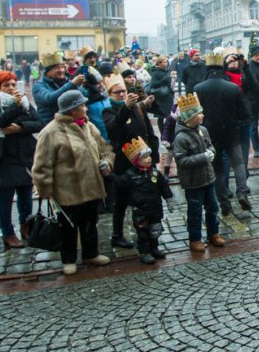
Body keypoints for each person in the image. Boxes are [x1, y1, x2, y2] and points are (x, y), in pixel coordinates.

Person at [32, 90, 114, 275]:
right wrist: (44, 189)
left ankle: (90, 253)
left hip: (92, 187)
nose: (86, 107)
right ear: (72, 110)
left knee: (90, 223)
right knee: (68, 227)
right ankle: (68, 259)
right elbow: (42, 164)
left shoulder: (89, 126)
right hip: (67, 191)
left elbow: (105, 148)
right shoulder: (51, 132)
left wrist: (107, 162)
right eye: (83, 105)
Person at [0, 71, 44, 248]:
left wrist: (20, 128)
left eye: (13, 84)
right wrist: (16, 107)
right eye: (7, 85)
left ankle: (25, 226)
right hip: (4, 157)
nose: (11, 88)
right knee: (5, 196)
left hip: (25, 155)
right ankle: (8, 233)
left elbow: (39, 123)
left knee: (26, 195)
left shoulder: (24, 102)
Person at [102, 74, 158, 249]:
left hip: (143, 160)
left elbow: (148, 131)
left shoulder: (137, 107)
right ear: (110, 94)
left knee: (146, 199)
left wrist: (153, 155)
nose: (121, 94)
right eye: (117, 92)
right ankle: (117, 235)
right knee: (121, 201)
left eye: (123, 91)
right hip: (123, 162)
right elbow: (112, 128)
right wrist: (124, 108)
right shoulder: (108, 110)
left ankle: (147, 235)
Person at [194, 53, 252, 215]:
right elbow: (245, 114)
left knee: (218, 169)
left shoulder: (198, 88)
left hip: (210, 134)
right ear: (222, 68)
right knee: (238, 163)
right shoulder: (232, 88)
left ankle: (225, 203)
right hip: (231, 132)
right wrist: (237, 123)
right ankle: (242, 191)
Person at [172, 94, 225, 251]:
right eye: (199, 114)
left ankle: (213, 233)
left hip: (208, 177)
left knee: (213, 207)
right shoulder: (181, 138)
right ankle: (195, 238)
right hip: (193, 182)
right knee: (195, 211)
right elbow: (181, 161)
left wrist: (211, 152)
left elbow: (210, 146)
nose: (202, 116)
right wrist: (203, 157)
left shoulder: (203, 130)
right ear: (191, 117)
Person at [110, 137, 173, 264]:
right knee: (143, 233)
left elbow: (163, 186)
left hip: (155, 208)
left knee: (155, 230)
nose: (149, 159)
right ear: (137, 161)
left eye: (149, 156)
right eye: (145, 157)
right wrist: (108, 175)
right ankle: (144, 252)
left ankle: (154, 248)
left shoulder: (155, 173)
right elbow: (118, 182)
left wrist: (169, 199)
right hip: (140, 211)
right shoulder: (130, 175)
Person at [33, 52, 85, 124]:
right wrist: (72, 84)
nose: (61, 70)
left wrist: (80, 85)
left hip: (69, 123)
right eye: (57, 68)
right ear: (48, 71)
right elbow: (49, 99)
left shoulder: (67, 81)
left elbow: (83, 96)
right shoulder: (39, 86)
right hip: (50, 126)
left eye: (62, 67)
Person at [146, 55, 175, 134]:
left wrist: (171, 91)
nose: (166, 63)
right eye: (164, 62)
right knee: (161, 117)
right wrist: (164, 80)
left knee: (168, 116)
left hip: (167, 97)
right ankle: (163, 134)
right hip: (160, 99)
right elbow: (154, 84)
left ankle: (166, 133)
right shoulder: (156, 72)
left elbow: (168, 84)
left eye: (166, 62)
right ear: (159, 63)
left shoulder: (165, 71)